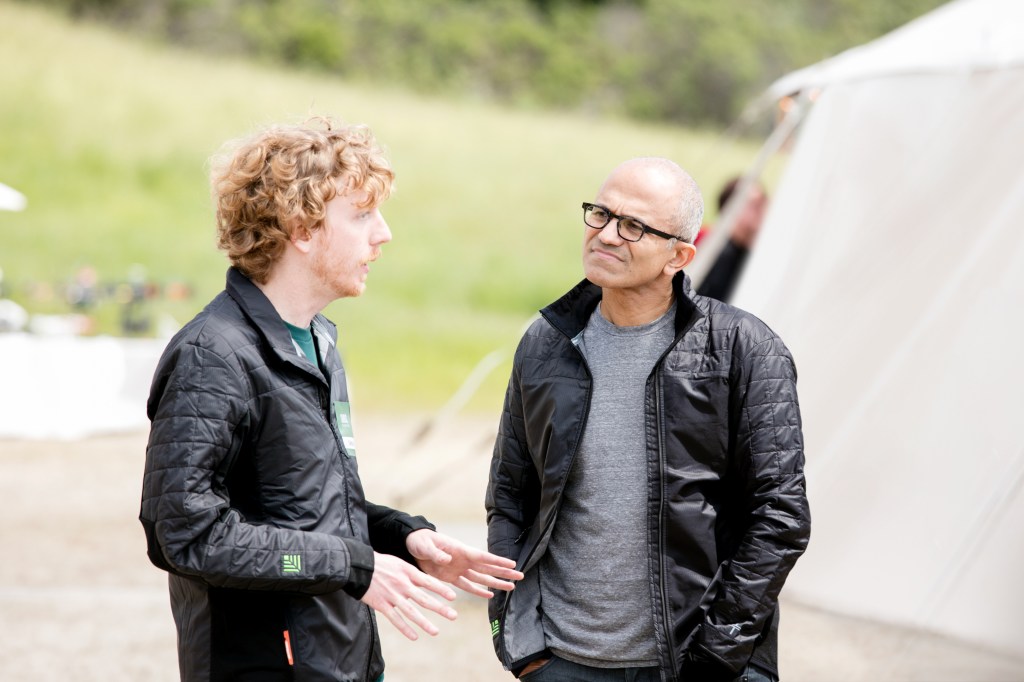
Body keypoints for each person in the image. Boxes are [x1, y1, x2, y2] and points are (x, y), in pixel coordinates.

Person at [140, 118, 523, 682]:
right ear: (302, 227)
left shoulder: (319, 341)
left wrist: (401, 536)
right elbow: (186, 535)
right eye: (363, 214)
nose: (384, 233)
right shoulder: (212, 354)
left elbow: (304, 508)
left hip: (342, 661)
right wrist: (352, 563)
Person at [485, 158, 809, 682]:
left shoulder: (744, 350)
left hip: (697, 664)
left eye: (634, 226)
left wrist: (714, 658)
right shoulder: (546, 343)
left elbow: (780, 517)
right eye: (600, 214)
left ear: (678, 255)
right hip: (562, 662)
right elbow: (510, 494)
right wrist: (522, 642)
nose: (607, 235)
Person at [695, 176, 768, 302]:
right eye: (755, 204)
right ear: (731, 210)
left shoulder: (762, 254)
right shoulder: (710, 252)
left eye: (764, 201)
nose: (763, 209)